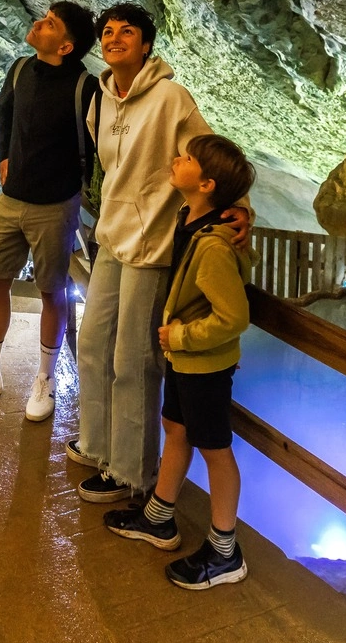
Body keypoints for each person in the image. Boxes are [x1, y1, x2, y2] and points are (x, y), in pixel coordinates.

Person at [70, 3, 248, 504]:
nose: (114, 38)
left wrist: (238, 206)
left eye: (127, 32)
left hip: (152, 245)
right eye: (107, 31)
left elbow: (210, 154)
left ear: (146, 45)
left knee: (133, 361)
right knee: (92, 345)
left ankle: (130, 472)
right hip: (111, 236)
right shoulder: (100, 101)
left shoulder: (171, 98)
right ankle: (99, 443)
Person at [0, 1, 101, 421]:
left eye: (49, 24)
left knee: (52, 293)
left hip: (55, 207)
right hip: (11, 200)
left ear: (65, 46)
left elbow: (100, 149)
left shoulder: (86, 88)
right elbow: (3, 111)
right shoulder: (21, 69)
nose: (38, 24)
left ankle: (44, 381)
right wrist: (3, 155)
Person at [104, 134, 255, 589]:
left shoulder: (212, 245)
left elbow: (234, 317)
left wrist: (183, 336)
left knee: (216, 450)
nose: (176, 159)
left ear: (206, 183)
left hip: (204, 363)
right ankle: (159, 516)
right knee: (177, 429)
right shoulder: (188, 218)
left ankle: (226, 551)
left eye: (186, 159)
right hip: (186, 360)